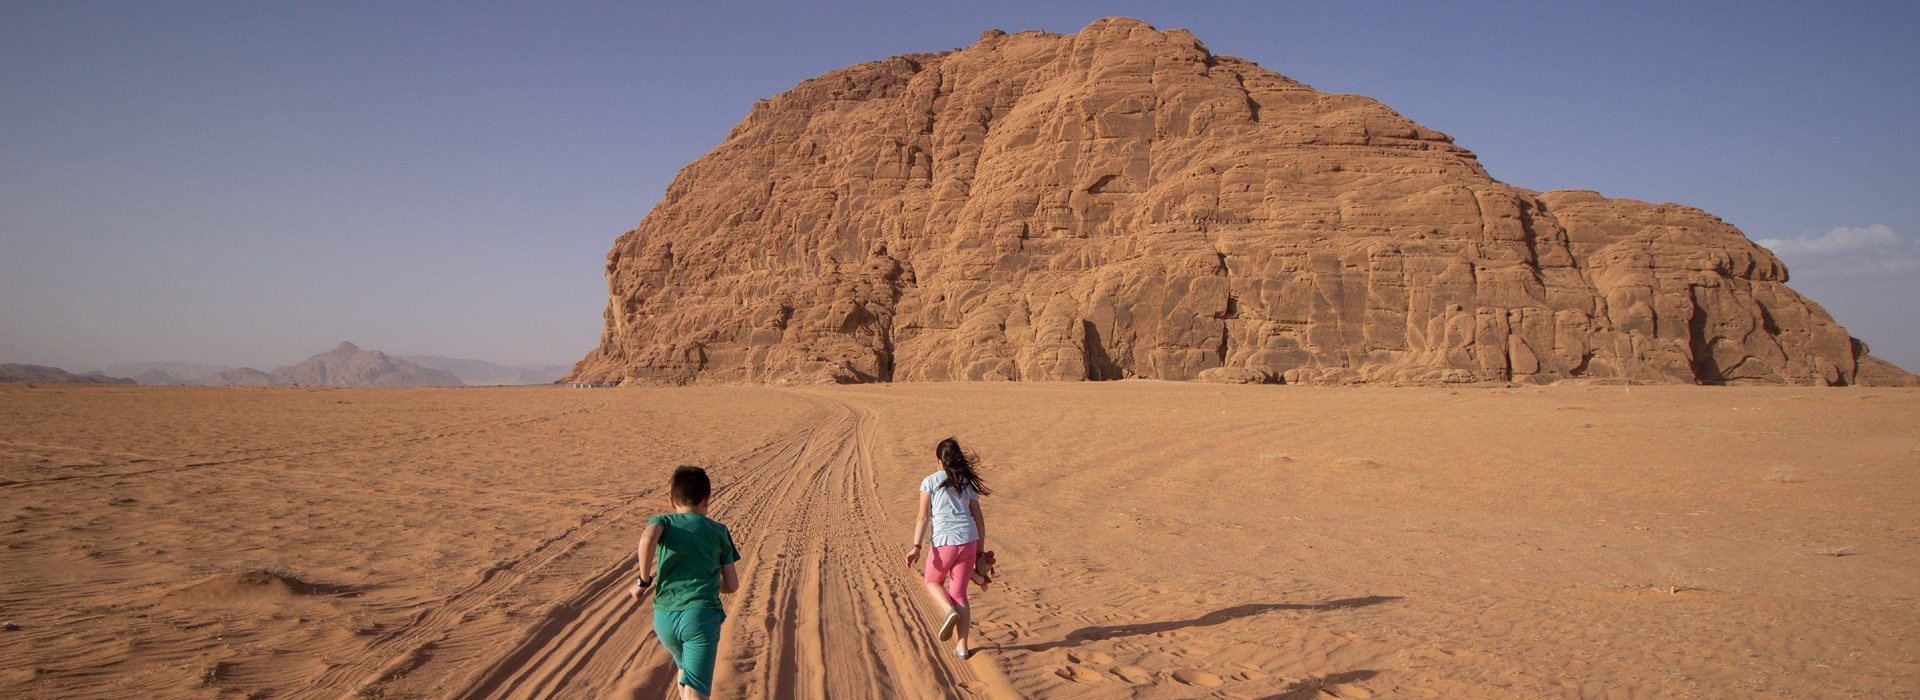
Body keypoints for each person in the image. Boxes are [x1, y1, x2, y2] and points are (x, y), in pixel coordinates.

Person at [630, 465, 741, 700]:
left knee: (685, 673)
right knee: (697, 692)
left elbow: (648, 538)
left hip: (664, 619)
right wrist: (709, 583)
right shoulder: (718, 531)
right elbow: (731, 585)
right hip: (700, 618)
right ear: (707, 499)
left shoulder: (664, 522)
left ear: (671, 501)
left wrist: (643, 580)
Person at [905, 437, 990, 659]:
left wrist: (916, 547)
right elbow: (979, 519)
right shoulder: (966, 483)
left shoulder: (930, 481)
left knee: (932, 581)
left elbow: (923, 517)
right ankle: (962, 647)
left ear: (938, 461)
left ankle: (948, 611)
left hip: (944, 543)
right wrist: (980, 551)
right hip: (968, 541)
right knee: (959, 593)